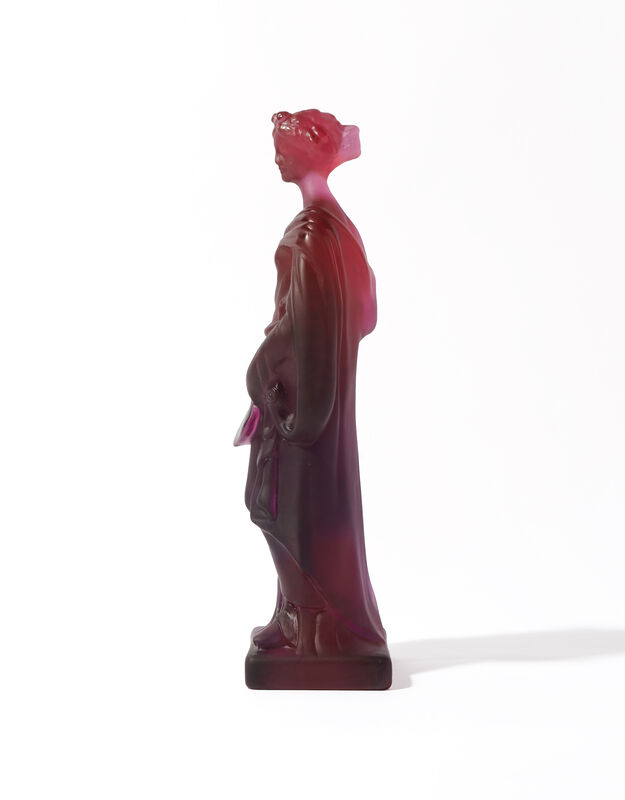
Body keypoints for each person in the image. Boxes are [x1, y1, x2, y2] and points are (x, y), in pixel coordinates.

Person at [235, 109, 388, 664]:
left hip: (302, 399)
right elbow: (364, 313)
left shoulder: (312, 234)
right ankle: (297, 615)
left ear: (305, 156)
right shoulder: (334, 227)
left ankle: (313, 625)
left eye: (284, 149)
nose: (277, 157)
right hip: (317, 389)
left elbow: (302, 322)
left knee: (281, 504)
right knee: (296, 505)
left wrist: (265, 364)